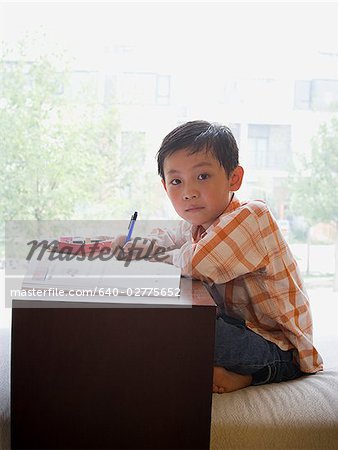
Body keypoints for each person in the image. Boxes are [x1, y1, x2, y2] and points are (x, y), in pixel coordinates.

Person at [114, 120, 323, 393]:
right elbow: (166, 238)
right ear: (166, 188)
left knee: (185, 329)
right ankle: (238, 373)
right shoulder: (199, 221)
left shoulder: (252, 216)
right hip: (241, 327)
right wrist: (130, 245)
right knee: (179, 324)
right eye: (177, 181)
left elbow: (198, 263)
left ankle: (261, 373)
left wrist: (151, 256)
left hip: (280, 344)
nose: (188, 192)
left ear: (233, 178)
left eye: (202, 176)